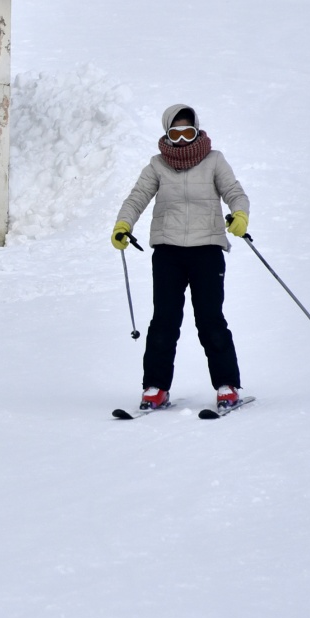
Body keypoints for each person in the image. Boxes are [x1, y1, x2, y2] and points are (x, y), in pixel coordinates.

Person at [112, 104, 249, 411]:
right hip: (168, 253)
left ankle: (227, 386)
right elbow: (137, 197)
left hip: (207, 251)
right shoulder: (158, 165)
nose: (184, 139)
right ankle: (155, 388)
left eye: (189, 131)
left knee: (210, 320)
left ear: (197, 130)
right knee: (164, 321)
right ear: (168, 135)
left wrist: (240, 214)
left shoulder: (214, 161)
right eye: (176, 133)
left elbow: (234, 192)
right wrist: (123, 224)